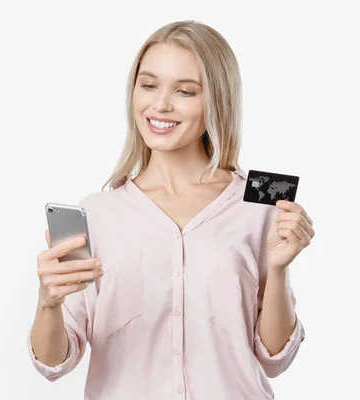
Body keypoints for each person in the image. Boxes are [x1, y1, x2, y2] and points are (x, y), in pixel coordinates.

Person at [27, 20, 315, 400]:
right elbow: (55, 364)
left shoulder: (258, 205)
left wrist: (279, 269)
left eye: (185, 91)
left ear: (217, 100)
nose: (160, 104)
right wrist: (48, 301)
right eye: (148, 85)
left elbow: (274, 359)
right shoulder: (96, 213)